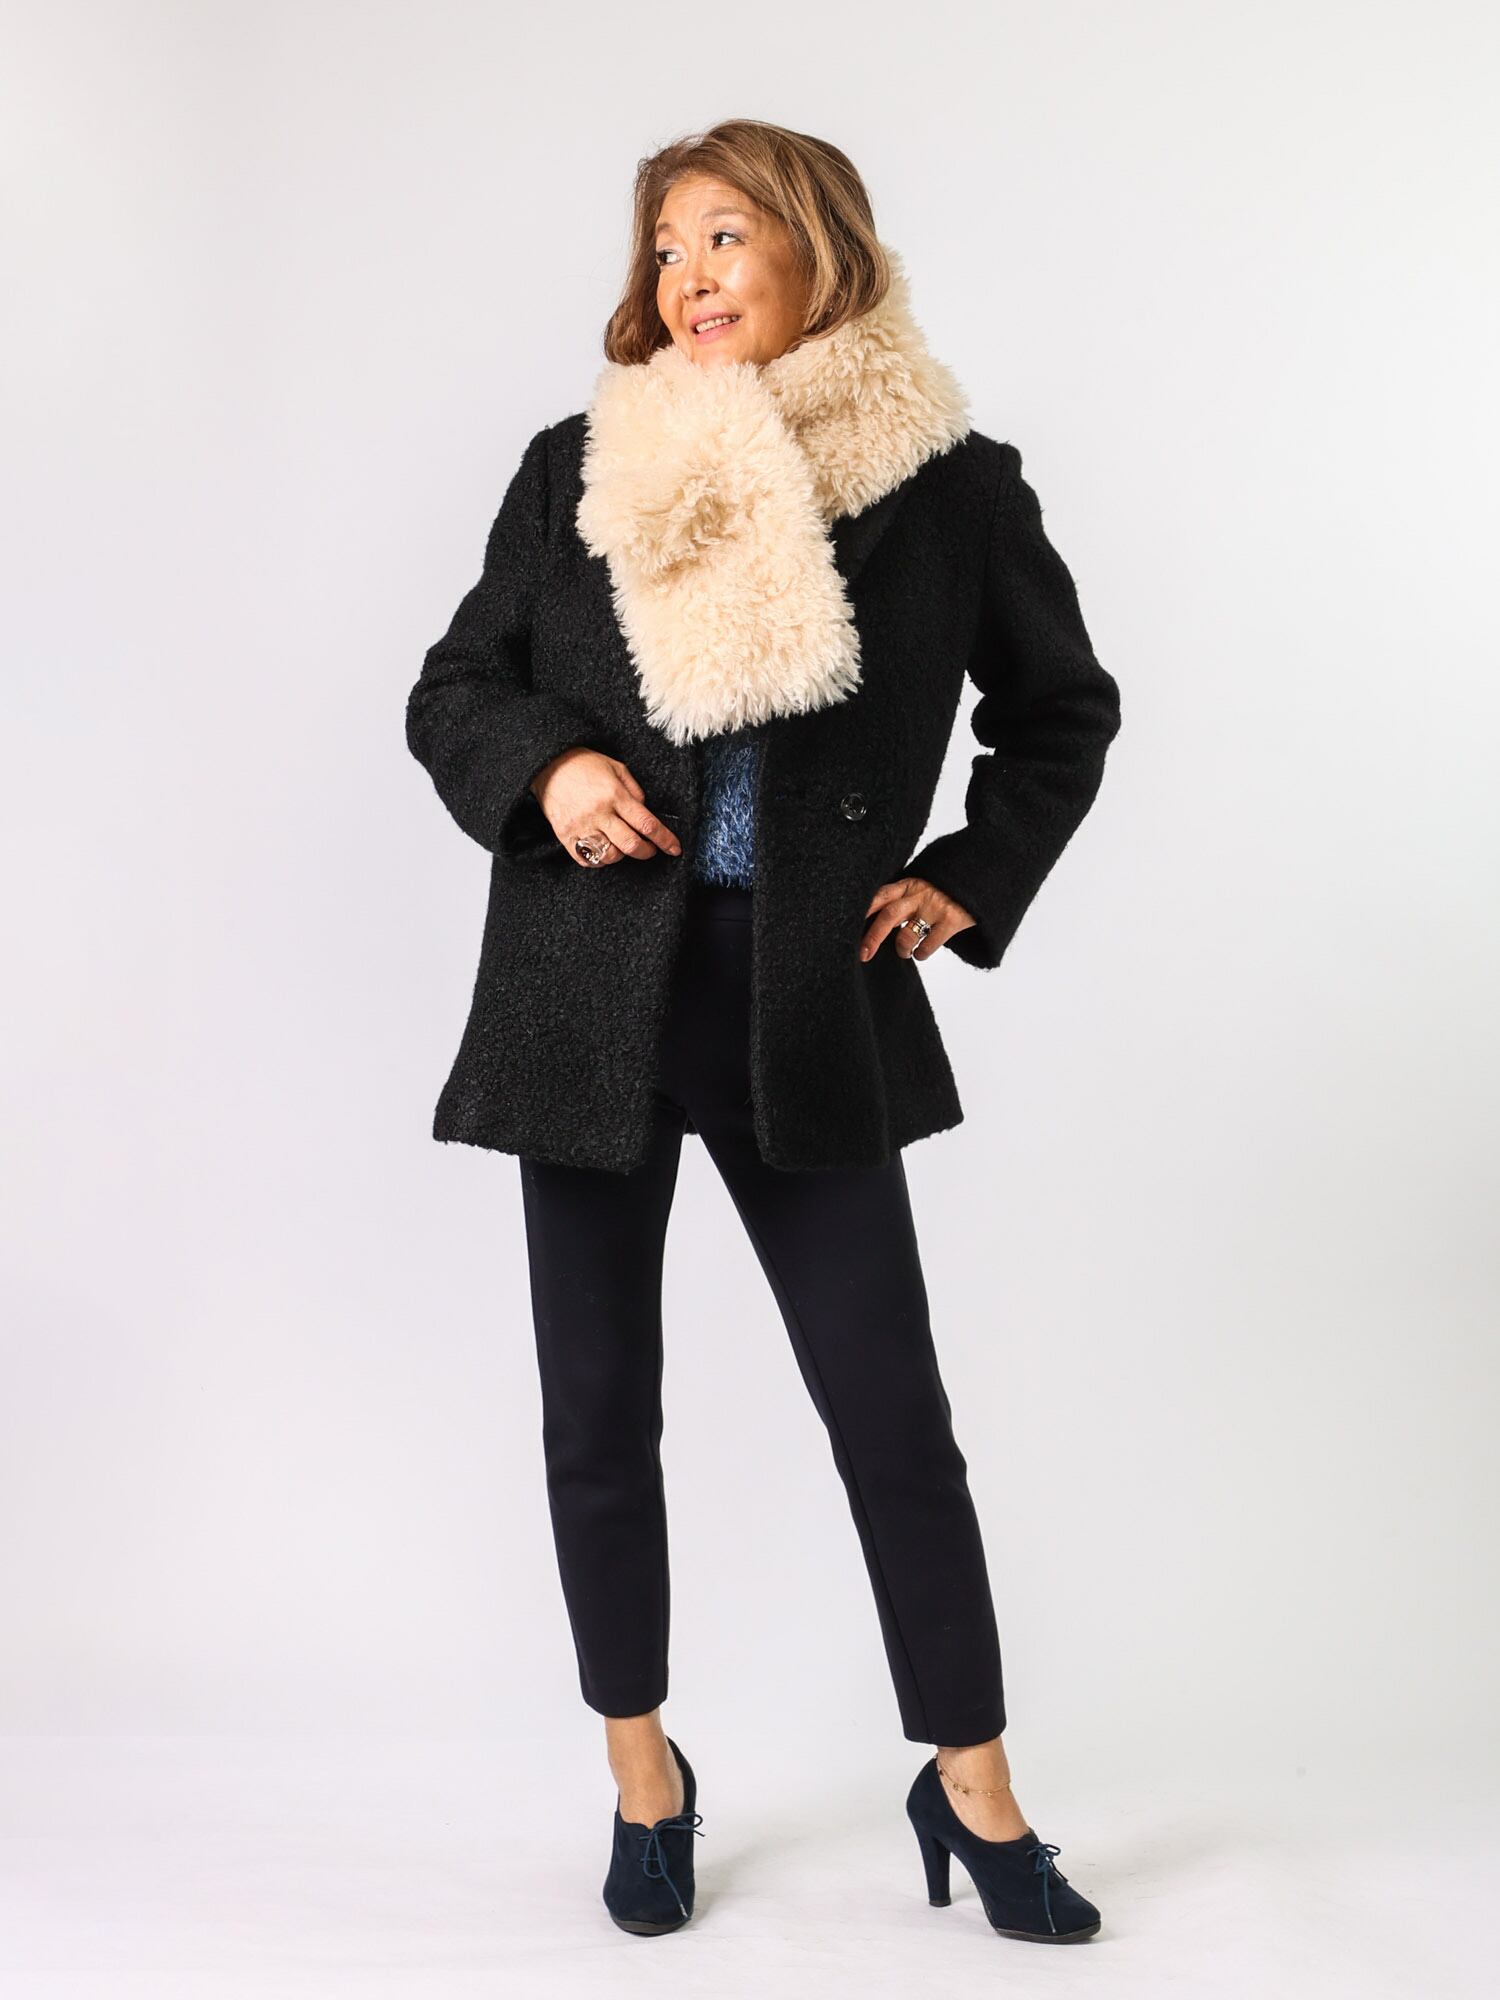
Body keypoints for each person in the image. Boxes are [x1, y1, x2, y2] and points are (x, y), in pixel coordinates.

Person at [405, 118, 1121, 1943]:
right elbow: (458, 685)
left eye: (727, 235)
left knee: (892, 1415)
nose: (691, 275)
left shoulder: (949, 490)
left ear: (819, 248)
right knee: (597, 1412)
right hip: (588, 992)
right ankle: (643, 1775)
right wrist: (550, 770)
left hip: (808, 998)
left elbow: (1062, 711)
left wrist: (968, 877)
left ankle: (973, 1784)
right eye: (667, 246)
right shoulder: (580, 463)